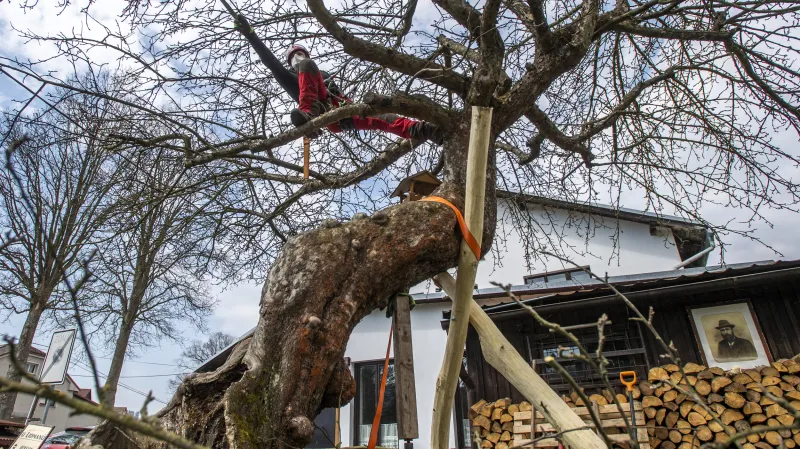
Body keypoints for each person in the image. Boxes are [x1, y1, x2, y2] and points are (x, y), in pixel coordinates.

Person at [233, 14, 443, 144]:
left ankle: (425, 130)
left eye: (300, 54)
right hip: (321, 112)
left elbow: (328, 89)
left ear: (306, 54)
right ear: (289, 63)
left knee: (383, 118)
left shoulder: (317, 72)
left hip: (341, 108)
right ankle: (309, 114)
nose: (298, 58)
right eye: (293, 57)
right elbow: (271, 62)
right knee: (307, 70)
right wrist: (251, 34)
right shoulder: (291, 77)